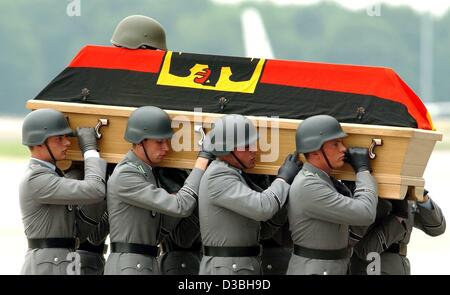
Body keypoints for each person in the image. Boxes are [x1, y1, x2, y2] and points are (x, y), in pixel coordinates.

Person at [104, 106, 212, 275]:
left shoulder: (146, 171)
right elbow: (181, 206)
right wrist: (202, 160)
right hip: (130, 266)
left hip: (145, 263)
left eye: (167, 141)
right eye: (159, 142)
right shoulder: (126, 174)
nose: (166, 148)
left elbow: (161, 227)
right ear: (140, 141)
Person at [198, 114, 302, 275]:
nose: (255, 150)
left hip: (236, 266)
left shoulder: (231, 172)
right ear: (227, 149)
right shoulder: (218, 176)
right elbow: (262, 208)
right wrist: (283, 178)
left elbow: (262, 228)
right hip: (228, 270)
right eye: (246, 146)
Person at [286, 114, 378, 275]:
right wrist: (363, 171)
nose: (344, 148)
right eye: (335, 144)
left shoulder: (324, 180)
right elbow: (366, 213)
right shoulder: (308, 185)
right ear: (315, 152)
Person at [19, 108, 107, 275]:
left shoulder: (54, 175)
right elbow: (95, 189)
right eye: (60, 138)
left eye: (67, 137)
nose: (67, 143)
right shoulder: (36, 178)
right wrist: (90, 151)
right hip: (46, 268)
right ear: (39, 142)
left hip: (64, 264)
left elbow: (78, 233)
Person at [349, 188, 446, 275]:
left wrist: (422, 197)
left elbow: (436, 228)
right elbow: (364, 248)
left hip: (400, 265)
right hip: (372, 266)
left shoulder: (405, 191)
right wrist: (398, 216)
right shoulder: (361, 192)